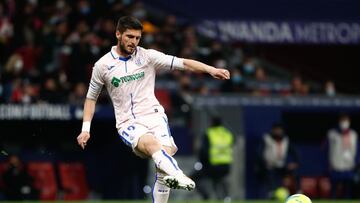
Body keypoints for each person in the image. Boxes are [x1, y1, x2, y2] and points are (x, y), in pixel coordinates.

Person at [76, 16, 230, 203]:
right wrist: (85, 129)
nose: (134, 42)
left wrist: (211, 69)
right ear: (118, 34)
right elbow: (91, 98)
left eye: (137, 38)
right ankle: (179, 174)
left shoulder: (147, 56)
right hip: (128, 122)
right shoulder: (102, 66)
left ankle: (170, 175)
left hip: (154, 116)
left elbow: (184, 63)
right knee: (152, 147)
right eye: (129, 37)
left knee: (164, 158)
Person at [191, 116, 234, 200]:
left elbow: (204, 151)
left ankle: (206, 196)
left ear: (212, 123)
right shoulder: (227, 134)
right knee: (218, 180)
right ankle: (225, 197)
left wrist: (202, 163)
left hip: (212, 165)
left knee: (194, 177)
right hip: (226, 166)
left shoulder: (209, 133)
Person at [255, 123, 299, 198]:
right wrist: (264, 162)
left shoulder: (286, 139)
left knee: (295, 173)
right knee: (269, 176)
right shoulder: (266, 139)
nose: (278, 132)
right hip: (269, 165)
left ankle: (298, 193)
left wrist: (295, 162)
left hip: (282, 165)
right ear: (273, 130)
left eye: (279, 130)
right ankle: (271, 193)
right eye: (276, 130)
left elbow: (294, 152)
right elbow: (259, 152)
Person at [326, 114, 359, 199]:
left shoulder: (353, 134)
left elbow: (357, 149)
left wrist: (356, 162)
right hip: (336, 165)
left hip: (349, 165)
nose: (344, 123)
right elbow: (326, 149)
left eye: (346, 121)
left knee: (348, 190)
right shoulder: (332, 134)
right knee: (333, 189)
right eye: (342, 121)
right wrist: (329, 163)